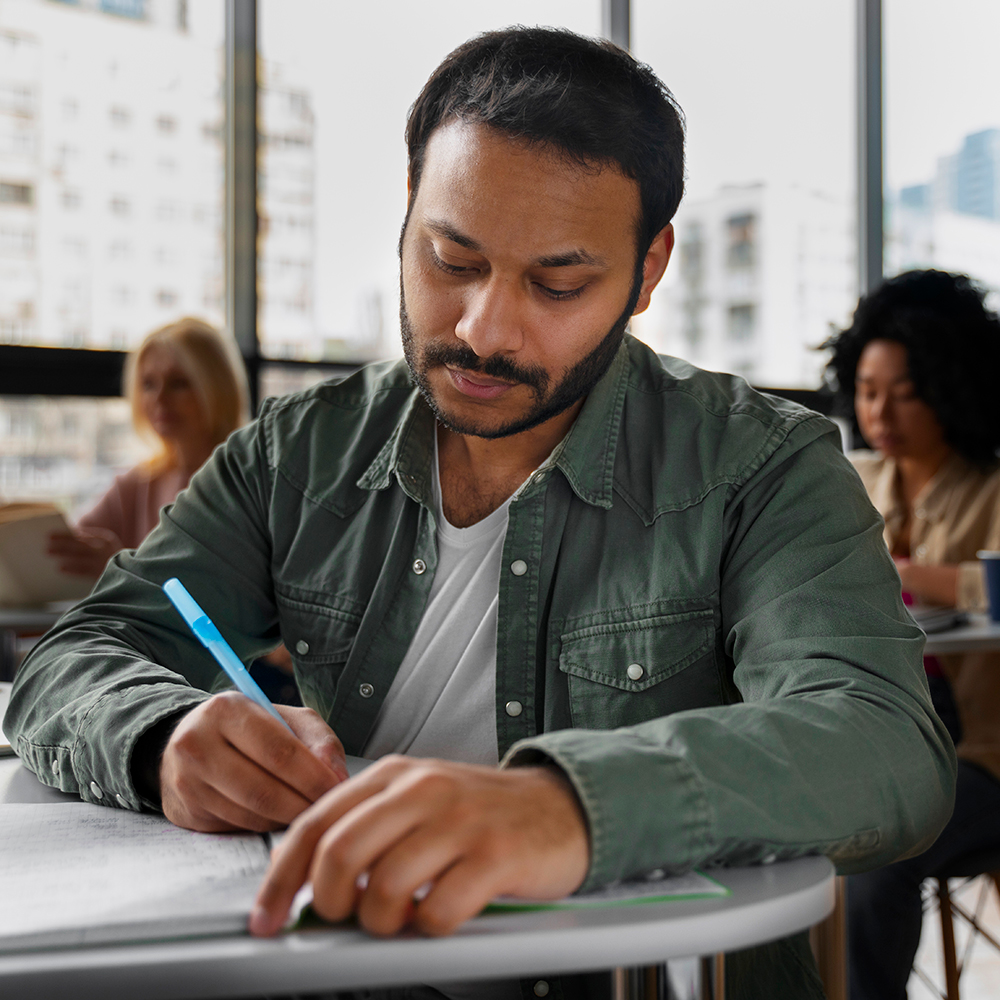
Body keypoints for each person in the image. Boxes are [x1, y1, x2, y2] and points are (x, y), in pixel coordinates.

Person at [5, 28, 954, 1000]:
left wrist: (565, 808)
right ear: (407, 212)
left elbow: (883, 747)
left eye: (557, 283)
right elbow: (80, 655)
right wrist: (162, 737)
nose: (483, 330)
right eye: (450, 259)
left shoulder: (759, 464)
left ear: (649, 268)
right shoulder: (297, 452)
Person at [823, 269, 1000, 1000]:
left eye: (907, 391)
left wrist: (912, 573)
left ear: (952, 387)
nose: (881, 412)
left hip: (982, 758)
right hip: (871, 743)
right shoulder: (843, 481)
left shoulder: (992, 491)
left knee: (874, 837)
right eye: (868, 391)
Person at [48, 317, 251, 579]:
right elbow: (71, 546)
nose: (159, 399)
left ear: (218, 388)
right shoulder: (136, 484)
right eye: (148, 384)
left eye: (179, 383)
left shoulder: (246, 486)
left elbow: (222, 601)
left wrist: (124, 570)